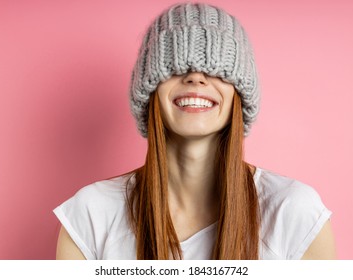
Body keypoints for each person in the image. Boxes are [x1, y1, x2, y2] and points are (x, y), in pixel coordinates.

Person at [53, 2, 336, 260]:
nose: (195, 77)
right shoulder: (90, 214)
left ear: (240, 94)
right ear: (149, 92)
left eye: (218, 69)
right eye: (175, 67)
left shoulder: (295, 213)